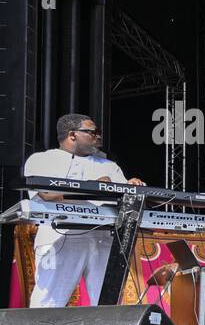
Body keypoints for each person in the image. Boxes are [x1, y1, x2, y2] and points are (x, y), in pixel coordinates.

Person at [23, 113, 148, 307]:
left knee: (107, 303)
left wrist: (131, 187)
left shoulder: (109, 165)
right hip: (61, 236)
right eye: (92, 132)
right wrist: (93, 187)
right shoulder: (42, 159)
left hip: (102, 238)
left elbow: (124, 201)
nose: (98, 136)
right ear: (72, 134)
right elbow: (47, 194)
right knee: (48, 302)